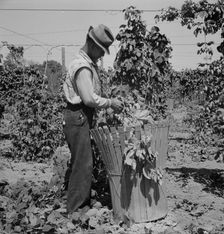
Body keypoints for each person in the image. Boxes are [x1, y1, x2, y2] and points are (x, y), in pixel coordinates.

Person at [63, 24, 123, 214]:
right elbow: (88, 98)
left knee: (84, 161)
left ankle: (84, 202)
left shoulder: (87, 64)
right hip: (78, 115)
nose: (102, 55)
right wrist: (110, 103)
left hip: (81, 116)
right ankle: (76, 210)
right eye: (101, 50)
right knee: (82, 163)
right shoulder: (82, 67)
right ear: (92, 44)